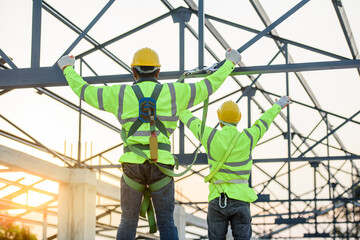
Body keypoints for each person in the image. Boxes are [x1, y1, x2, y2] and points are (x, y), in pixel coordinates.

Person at [57, 47, 242, 240]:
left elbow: (86, 92)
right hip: (161, 165)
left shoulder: (120, 94)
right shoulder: (174, 92)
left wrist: (67, 68)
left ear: (134, 72)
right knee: (166, 222)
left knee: (127, 221)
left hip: (132, 166)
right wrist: (230, 62)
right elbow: (209, 85)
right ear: (158, 72)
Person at [179, 96, 292, 240]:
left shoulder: (210, 136)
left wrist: (179, 106)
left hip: (217, 199)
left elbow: (192, 122)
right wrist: (278, 105)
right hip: (241, 199)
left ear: (219, 119)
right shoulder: (248, 138)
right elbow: (264, 121)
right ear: (239, 119)